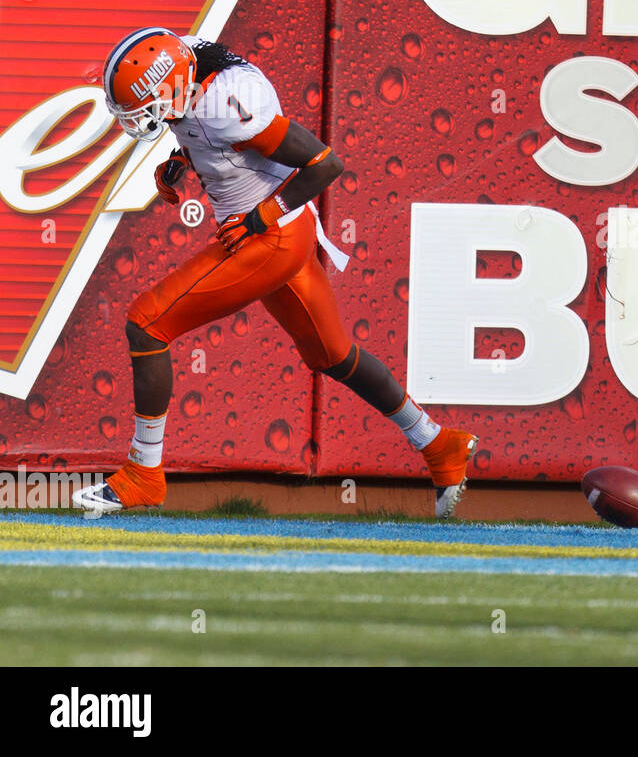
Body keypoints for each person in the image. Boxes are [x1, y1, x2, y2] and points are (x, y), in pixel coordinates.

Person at [72, 28, 476, 517]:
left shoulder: (226, 106)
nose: (141, 121)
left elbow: (326, 164)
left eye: (145, 109)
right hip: (282, 232)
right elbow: (202, 132)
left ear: (175, 84)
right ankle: (438, 444)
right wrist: (180, 159)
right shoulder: (188, 74)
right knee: (334, 356)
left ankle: (144, 474)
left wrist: (263, 215)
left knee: (148, 324)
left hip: (272, 236)